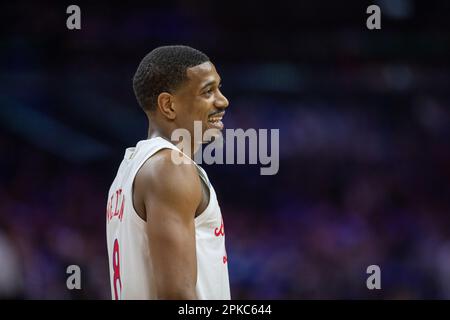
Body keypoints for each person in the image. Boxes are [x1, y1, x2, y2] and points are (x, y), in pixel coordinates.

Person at [106, 45, 230, 300]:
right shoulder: (170, 169)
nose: (222, 100)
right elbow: (177, 296)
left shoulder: (130, 167)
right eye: (208, 91)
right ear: (168, 105)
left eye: (219, 87)